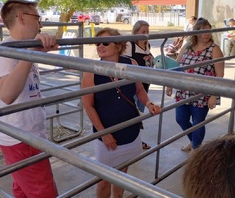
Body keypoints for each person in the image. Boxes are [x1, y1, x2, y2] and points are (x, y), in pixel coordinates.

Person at [81, 27, 161, 198]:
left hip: (130, 130)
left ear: (118, 45)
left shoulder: (130, 64)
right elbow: (88, 106)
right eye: (97, 43)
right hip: (107, 135)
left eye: (105, 42)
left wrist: (148, 103)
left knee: (121, 176)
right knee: (103, 182)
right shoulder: (91, 71)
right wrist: (104, 133)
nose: (100, 46)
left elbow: (139, 89)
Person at [0, 0, 58, 197]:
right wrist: (32, 53)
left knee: (23, 189)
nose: (40, 24)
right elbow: (7, 95)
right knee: (44, 193)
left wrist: (34, 49)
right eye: (37, 18)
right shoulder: (5, 51)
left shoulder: (23, 47)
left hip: (30, 134)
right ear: (22, 17)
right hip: (21, 138)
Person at [166, 17, 224, 152]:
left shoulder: (214, 49)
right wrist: (169, 84)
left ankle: (196, 149)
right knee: (181, 119)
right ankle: (194, 142)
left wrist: (214, 96)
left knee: (198, 122)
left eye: (209, 30)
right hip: (183, 91)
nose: (207, 33)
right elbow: (176, 66)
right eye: (204, 31)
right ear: (196, 32)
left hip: (203, 92)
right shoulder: (187, 47)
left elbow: (220, 75)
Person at [123, 20, 154, 149]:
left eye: (147, 31)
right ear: (136, 32)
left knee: (139, 113)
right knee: (130, 113)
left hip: (144, 84)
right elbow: (124, 62)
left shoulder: (148, 45)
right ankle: (130, 141)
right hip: (132, 84)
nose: (145, 34)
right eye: (143, 32)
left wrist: (150, 59)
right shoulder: (130, 45)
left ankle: (135, 141)